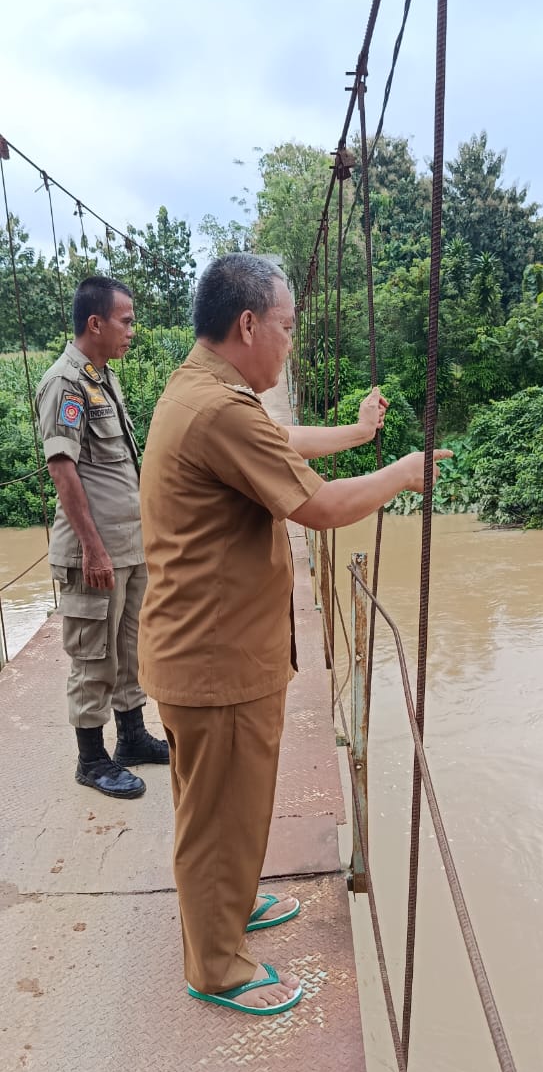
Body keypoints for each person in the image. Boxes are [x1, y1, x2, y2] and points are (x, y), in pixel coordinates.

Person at [138, 253, 451, 1016]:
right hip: (216, 659)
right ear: (248, 325)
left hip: (212, 648)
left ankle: (231, 905)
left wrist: (358, 432)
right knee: (217, 817)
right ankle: (216, 966)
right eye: (286, 327)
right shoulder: (221, 409)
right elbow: (322, 508)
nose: (291, 342)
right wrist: (403, 472)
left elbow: (280, 447)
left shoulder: (206, 390)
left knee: (230, 805)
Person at [35, 275, 169, 800]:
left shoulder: (101, 377)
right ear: (95, 323)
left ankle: (131, 737)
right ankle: (91, 760)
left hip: (127, 547)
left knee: (129, 648)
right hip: (95, 552)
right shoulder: (65, 383)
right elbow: (62, 469)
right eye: (125, 321)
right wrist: (92, 548)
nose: (132, 330)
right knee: (94, 656)